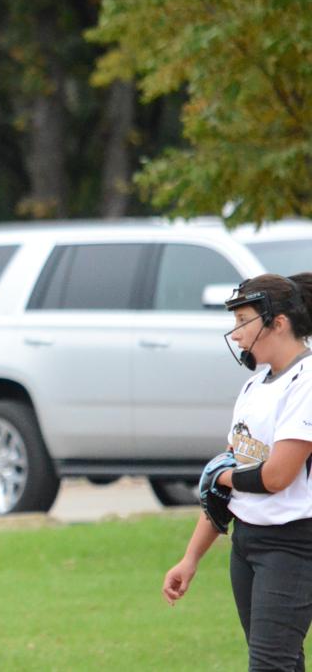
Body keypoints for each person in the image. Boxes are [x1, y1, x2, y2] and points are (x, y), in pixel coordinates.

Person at [163, 272, 312, 670]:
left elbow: (276, 477)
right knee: (282, 663)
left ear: (279, 323)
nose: (236, 334)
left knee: (270, 664)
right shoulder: (254, 386)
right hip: (247, 542)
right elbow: (224, 489)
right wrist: (190, 558)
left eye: (244, 320)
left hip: (292, 545)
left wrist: (221, 475)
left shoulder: (306, 381)